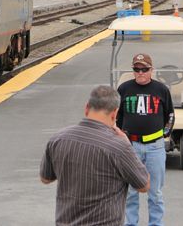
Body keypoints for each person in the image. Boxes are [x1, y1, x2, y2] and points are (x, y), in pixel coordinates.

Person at [41, 85, 150, 226]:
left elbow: (45, 178)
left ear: (87, 108)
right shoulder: (119, 146)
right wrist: (127, 145)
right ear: (114, 114)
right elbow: (143, 185)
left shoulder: (58, 139)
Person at [116, 53, 174, 226]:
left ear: (151, 70)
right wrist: (120, 136)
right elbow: (117, 116)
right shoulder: (124, 89)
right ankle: (130, 223)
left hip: (155, 147)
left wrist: (164, 134)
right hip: (130, 146)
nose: (140, 72)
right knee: (130, 192)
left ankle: (156, 223)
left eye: (144, 69)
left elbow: (169, 115)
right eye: (136, 69)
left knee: (155, 192)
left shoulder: (161, 90)